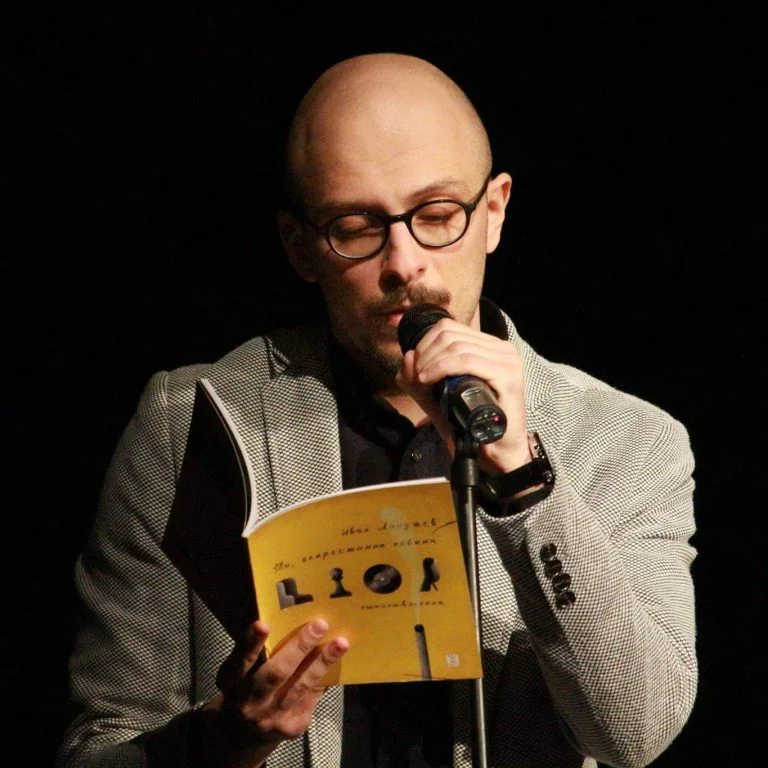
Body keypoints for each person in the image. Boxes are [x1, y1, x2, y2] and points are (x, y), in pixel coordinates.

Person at [56, 52, 698, 768]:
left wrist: (523, 480)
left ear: (493, 212)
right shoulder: (192, 424)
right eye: (356, 227)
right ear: (300, 247)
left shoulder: (626, 440)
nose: (404, 263)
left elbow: (636, 732)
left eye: (437, 215)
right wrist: (224, 738)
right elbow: (98, 748)